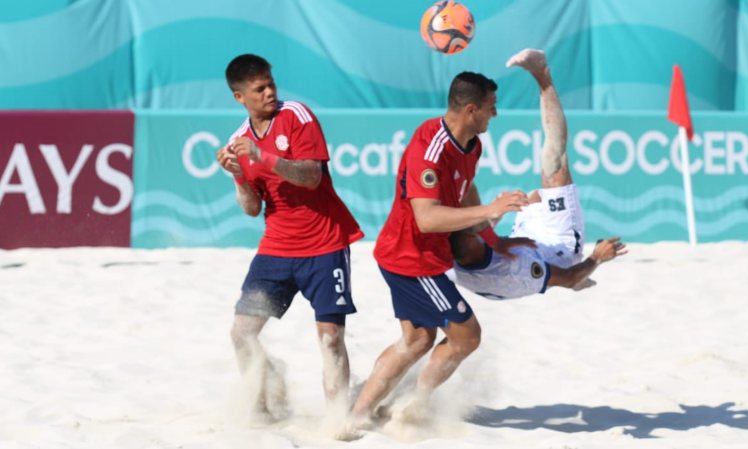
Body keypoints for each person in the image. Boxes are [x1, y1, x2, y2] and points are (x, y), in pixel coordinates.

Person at [349, 71, 532, 425]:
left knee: (416, 341)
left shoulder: (471, 144)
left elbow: (466, 188)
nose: (496, 114)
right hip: (412, 259)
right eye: (491, 108)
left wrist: (491, 238)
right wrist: (491, 210)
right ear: (470, 109)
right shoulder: (429, 149)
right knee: (467, 335)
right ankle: (411, 405)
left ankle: (357, 414)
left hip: (418, 257)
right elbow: (426, 219)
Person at [216, 54, 364, 418]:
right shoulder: (238, 141)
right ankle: (266, 403)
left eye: (271, 84)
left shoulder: (296, 115)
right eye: (259, 88)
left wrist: (263, 157)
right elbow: (251, 208)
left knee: (330, 337)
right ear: (239, 98)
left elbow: (312, 177)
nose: (269, 92)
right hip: (277, 249)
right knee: (241, 333)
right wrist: (237, 174)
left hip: (325, 243)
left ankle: (337, 420)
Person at [450, 48, 627, 300]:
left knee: (507, 196)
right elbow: (568, 278)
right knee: (554, 165)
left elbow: (471, 238)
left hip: (520, 240)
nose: (477, 234)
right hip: (559, 247)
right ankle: (542, 74)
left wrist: (495, 214)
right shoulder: (517, 271)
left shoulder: (455, 260)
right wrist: (597, 256)